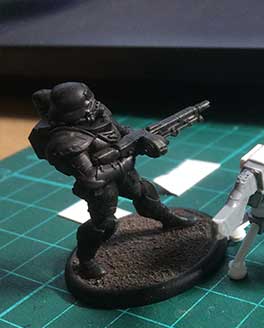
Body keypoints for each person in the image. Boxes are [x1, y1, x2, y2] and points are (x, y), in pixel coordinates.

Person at [30, 82, 195, 279]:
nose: (95, 106)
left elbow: (121, 131)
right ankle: (86, 261)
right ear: (75, 113)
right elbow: (91, 177)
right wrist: (128, 159)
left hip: (122, 173)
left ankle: (169, 220)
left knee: (145, 193)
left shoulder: (98, 115)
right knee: (104, 224)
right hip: (101, 188)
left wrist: (143, 137)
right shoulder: (67, 142)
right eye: (89, 104)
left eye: (92, 101)